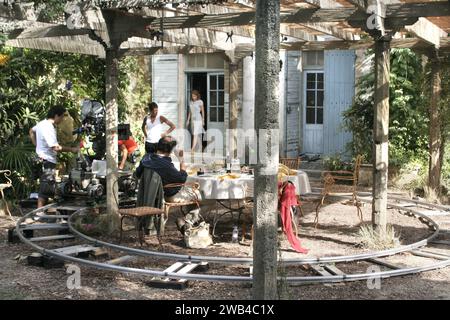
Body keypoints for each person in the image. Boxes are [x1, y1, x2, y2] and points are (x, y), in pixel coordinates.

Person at [29, 106, 79, 208]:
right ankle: (39, 213)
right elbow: (55, 147)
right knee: (45, 188)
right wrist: (72, 149)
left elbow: (31, 131)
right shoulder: (48, 127)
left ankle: (41, 212)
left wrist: (36, 145)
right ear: (56, 116)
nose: (62, 120)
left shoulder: (41, 123)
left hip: (40, 158)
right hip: (47, 160)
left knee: (45, 187)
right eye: (61, 117)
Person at [136, 136, 200, 203]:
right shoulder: (166, 165)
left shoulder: (146, 158)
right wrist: (181, 159)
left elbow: (137, 174)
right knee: (199, 193)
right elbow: (182, 179)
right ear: (172, 151)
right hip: (166, 196)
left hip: (145, 195)